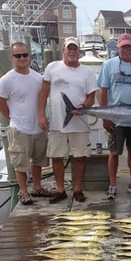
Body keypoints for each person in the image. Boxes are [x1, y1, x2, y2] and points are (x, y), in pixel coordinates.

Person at [39, 37, 97, 204]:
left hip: (79, 123)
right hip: (57, 122)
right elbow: (43, 93)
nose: (72, 52)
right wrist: (42, 115)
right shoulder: (52, 67)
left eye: (75, 49)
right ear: (63, 50)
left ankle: (77, 189)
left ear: (79, 52)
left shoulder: (87, 72)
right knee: (57, 156)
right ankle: (60, 189)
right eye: (69, 48)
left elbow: (91, 96)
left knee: (80, 156)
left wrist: (83, 105)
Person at [0, 42, 51, 205]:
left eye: (25, 55)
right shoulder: (6, 80)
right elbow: (0, 102)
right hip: (19, 128)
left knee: (38, 160)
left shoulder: (38, 77)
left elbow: (44, 98)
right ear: (12, 58)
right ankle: (24, 191)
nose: (22, 58)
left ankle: (38, 187)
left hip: (38, 127)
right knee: (20, 163)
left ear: (29, 56)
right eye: (18, 55)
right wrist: (11, 116)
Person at [97, 33, 131, 199]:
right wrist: (105, 117)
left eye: (129, 46)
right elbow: (103, 91)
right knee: (114, 152)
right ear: (118, 48)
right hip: (116, 118)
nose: (126, 49)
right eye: (123, 46)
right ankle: (112, 184)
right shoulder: (108, 65)